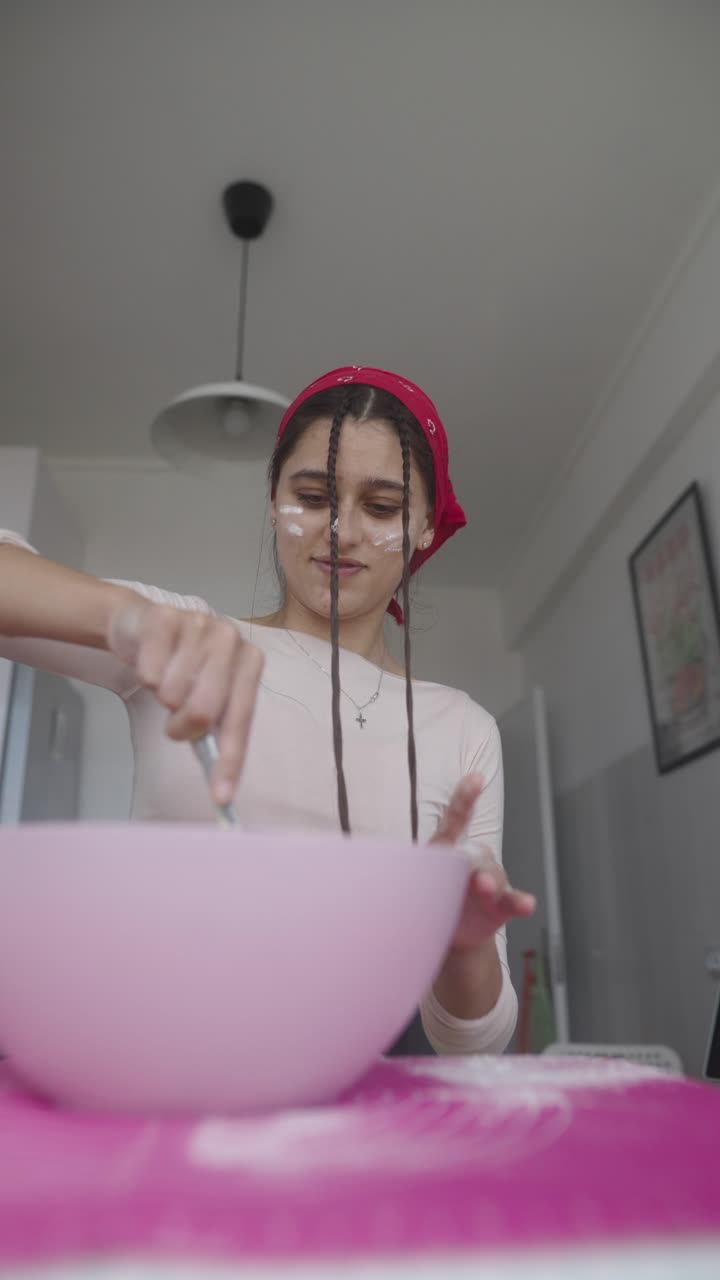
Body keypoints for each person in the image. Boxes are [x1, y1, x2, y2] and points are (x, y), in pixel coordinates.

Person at [0, 366, 534, 1054]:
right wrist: (123, 619)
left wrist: (463, 945)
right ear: (273, 498)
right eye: (312, 496)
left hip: (344, 1093)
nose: (340, 531)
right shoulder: (192, 636)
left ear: (426, 525)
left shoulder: (462, 729)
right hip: (151, 1059)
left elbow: (474, 1045)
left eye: (380, 507)